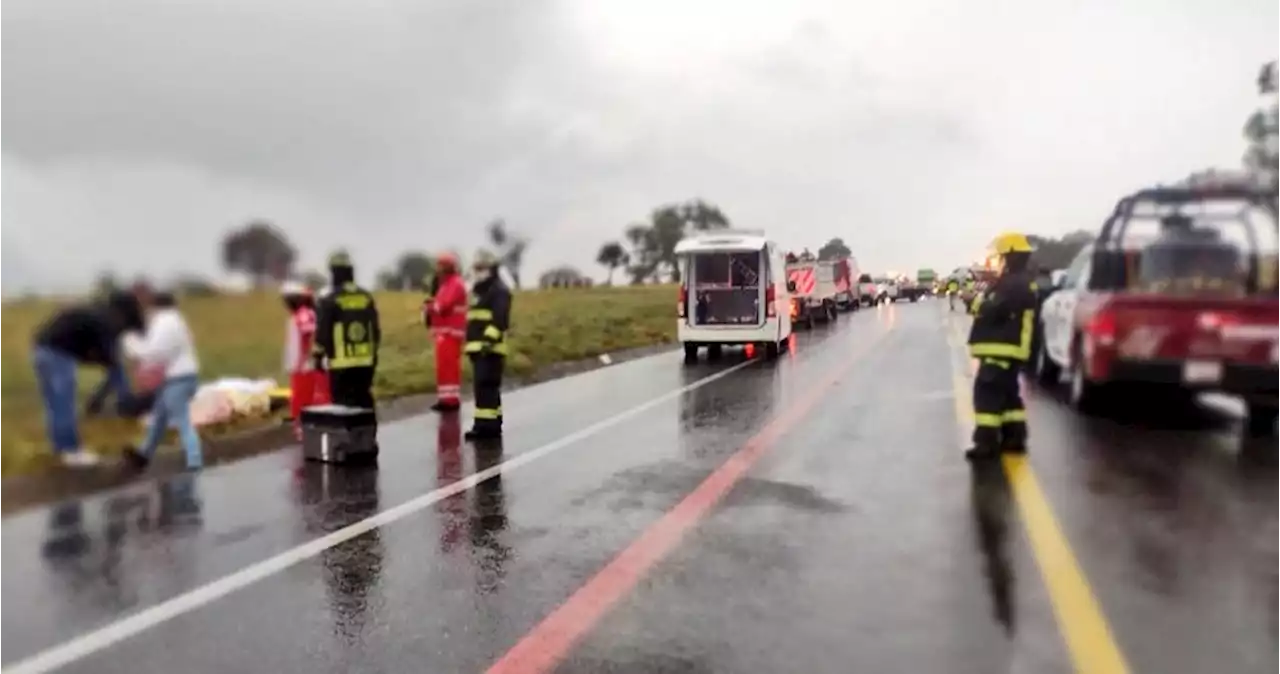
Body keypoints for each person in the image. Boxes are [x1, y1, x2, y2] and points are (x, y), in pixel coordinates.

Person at [32, 291, 144, 467]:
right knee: (64, 404)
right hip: (58, 354)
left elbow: (96, 354)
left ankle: (60, 448)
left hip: (41, 349)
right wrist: (126, 398)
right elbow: (110, 361)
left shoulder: (97, 313)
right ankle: (72, 452)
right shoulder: (107, 322)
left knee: (55, 404)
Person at [966, 232, 1039, 461]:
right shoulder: (1020, 282)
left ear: (1011, 257)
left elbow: (994, 309)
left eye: (1001, 257)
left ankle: (985, 444)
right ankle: (1014, 438)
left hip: (1002, 349)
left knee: (986, 396)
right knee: (1009, 398)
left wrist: (974, 301)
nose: (998, 261)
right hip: (1009, 351)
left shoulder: (1013, 284)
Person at [123, 291, 204, 470]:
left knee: (182, 421)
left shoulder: (164, 322)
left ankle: (195, 460)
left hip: (177, 379)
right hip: (183, 376)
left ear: (155, 306)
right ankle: (143, 455)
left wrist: (131, 344)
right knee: (159, 418)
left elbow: (155, 352)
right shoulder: (177, 320)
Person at [313, 252, 381, 413]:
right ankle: (368, 435)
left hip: (341, 363)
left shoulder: (330, 299)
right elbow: (376, 330)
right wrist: (374, 354)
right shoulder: (366, 297)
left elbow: (323, 332)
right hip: (366, 362)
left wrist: (318, 356)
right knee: (364, 401)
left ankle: (347, 438)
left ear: (334, 273)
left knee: (343, 407)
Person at [464, 251, 512, 440]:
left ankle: (487, 428)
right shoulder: (479, 290)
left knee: (486, 388)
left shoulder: (499, 290)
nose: (477, 271)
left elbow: (500, 319)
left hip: (490, 349)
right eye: (476, 268)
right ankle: (487, 424)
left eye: (481, 268)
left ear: (491, 269)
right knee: (484, 389)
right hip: (477, 348)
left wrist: (488, 341)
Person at [422, 252, 468, 412]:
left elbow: (442, 306)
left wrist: (429, 306)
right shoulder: (447, 283)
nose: (437, 269)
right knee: (444, 367)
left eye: (439, 265)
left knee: (448, 367)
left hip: (450, 332)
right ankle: (446, 398)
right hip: (445, 332)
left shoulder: (454, 284)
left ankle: (450, 400)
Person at [281, 282, 327, 439]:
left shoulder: (303, 314)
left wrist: (306, 358)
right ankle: (307, 425)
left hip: (302, 365)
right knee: (305, 395)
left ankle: (302, 426)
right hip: (301, 363)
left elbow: (310, 335)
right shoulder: (303, 314)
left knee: (302, 397)